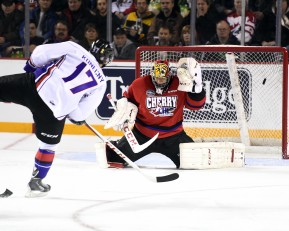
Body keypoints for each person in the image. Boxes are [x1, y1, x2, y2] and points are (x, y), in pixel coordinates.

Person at [0, 39, 114, 197]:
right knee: (48, 146)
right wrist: (76, 116)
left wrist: (31, 66)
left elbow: (41, 52)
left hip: (34, 86)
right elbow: (79, 114)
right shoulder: (100, 83)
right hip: (53, 111)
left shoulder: (76, 48)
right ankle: (36, 184)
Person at [103, 58, 206, 168]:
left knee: (194, 162)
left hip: (174, 137)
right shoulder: (139, 84)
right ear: (152, 75)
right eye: (157, 78)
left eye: (163, 78)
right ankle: (118, 144)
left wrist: (198, 91)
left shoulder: (179, 84)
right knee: (114, 159)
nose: (159, 81)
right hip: (141, 136)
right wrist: (124, 110)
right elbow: (127, 100)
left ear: (169, 76)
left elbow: (196, 106)